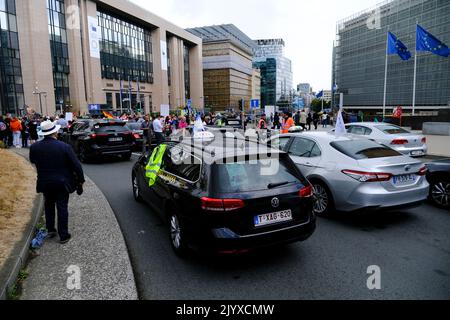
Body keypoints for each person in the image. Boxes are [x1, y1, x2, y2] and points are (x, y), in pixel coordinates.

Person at [30, 120, 85, 244]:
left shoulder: (35, 147)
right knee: (62, 207)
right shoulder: (64, 146)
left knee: (48, 205)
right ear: (55, 132)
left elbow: (33, 161)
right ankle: (63, 235)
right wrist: (81, 180)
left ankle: (51, 229)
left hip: (44, 181)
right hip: (62, 181)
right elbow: (76, 165)